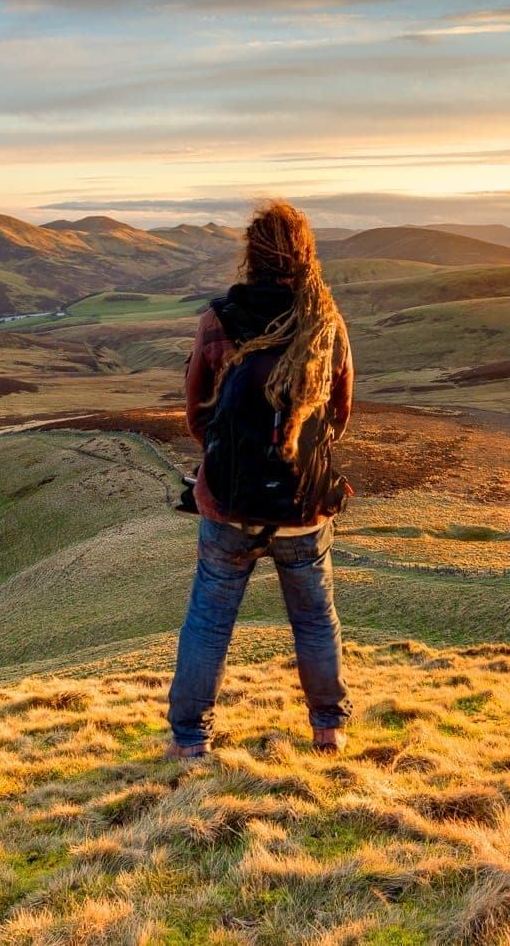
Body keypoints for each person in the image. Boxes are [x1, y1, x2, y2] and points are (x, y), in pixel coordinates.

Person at [166, 200, 354, 759]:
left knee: (209, 621)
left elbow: (198, 414)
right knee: (316, 619)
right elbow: (339, 414)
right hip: (304, 505)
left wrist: (233, 458)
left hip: (228, 504)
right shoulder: (325, 321)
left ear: (251, 254)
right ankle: (327, 730)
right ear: (305, 252)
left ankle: (191, 741)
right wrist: (291, 454)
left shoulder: (219, 320)